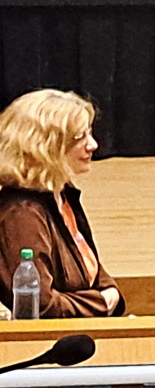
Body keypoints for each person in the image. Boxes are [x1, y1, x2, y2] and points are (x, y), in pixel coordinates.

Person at [0, 89, 125, 317]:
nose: (93, 145)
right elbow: (39, 305)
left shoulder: (61, 196)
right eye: (80, 138)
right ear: (44, 146)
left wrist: (109, 291)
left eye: (90, 133)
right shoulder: (23, 214)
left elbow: (92, 271)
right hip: (52, 347)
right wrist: (102, 302)